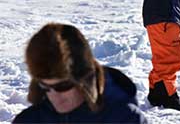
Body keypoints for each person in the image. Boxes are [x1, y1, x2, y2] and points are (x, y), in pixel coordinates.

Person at [13, 23, 148, 123]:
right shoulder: (30, 120)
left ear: (85, 79)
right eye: (45, 86)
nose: (54, 96)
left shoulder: (124, 119)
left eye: (62, 86)